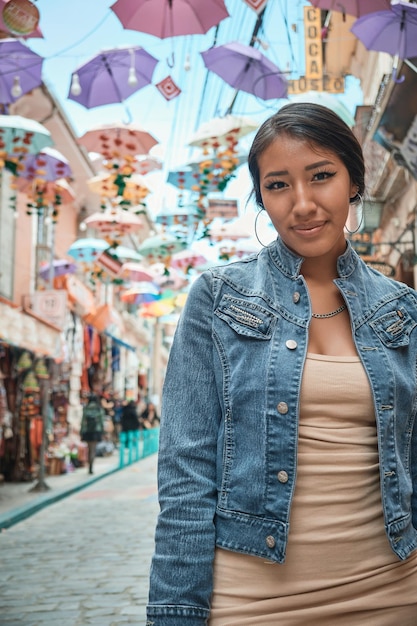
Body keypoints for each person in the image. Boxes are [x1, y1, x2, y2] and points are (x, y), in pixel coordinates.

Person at [146, 102, 417, 625]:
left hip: (393, 591)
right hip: (253, 598)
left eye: (321, 176)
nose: (303, 203)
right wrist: (176, 612)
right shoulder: (218, 298)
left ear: (354, 181)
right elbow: (185, 472)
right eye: (277, 185)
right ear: (261, 198)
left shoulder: (402, 311)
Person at [80, 393, 105, 474]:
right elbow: (101, 422)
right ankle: (91, 466)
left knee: (89, 449)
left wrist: (82, 431)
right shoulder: (98, 409)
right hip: (96, 431)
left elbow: (83, 422)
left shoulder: (86, 408)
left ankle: (89, 465)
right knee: (93, 450)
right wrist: (102, 432)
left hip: (87, 431)